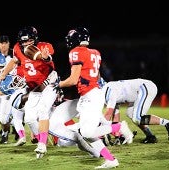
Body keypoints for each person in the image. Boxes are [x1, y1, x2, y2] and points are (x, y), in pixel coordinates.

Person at [56, 27, 134, 169]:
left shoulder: (76, 52)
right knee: (88, 133)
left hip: (90, 95)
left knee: (87, 132)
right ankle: (111, 160)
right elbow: (97, 76)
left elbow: (73, 80)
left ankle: (119, 127)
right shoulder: (95, 52)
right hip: (93, 94)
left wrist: (58, 84)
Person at [0, 26, 59, 158]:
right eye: (23, 42)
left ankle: (42, 144)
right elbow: (14, 61)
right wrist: (3, 74)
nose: (26, 44)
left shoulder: (44, 46)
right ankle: (43, 139)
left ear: (35, 39)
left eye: (29, 41)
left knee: (43, 110)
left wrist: (45, 58)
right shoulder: (17, 49)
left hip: (48, 84)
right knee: (29, 118)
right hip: (33, 88)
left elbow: (50, 60)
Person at [102, 79, 169, 143]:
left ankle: (168, 123)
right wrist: (118, 136)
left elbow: (108, 115)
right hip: (140, 91)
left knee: (137, 118)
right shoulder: (110, 90)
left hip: (145, 87)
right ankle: (150, 136)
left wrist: (101, 134)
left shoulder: (107, 91)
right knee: (130, 113)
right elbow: (115, 117)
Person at [0, 35, 20, 141]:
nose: (4, 45)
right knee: (2, 117)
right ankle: (5, 132)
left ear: (9, 43)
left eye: (6, 43)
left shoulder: (15, 54)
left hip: (17, 88)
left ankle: (18, 131)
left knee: (20, 113)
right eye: (2, 43)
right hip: (4, 89)